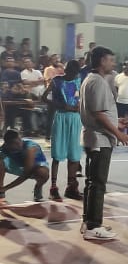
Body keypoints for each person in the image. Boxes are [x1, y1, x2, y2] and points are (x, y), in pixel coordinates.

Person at [80, 46, 128, 240]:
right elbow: (99, 114)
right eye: (111, 60)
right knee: (98, 183)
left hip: (93, 137)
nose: (113, 63)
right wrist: (118, 133)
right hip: (99, 139)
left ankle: (88, 222)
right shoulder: (98, 82)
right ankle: (94, 226)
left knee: (91, 182)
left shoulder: (90, 80)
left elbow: (98, 112)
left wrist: (116, 121)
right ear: (102, 61)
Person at [48, 60, 82, 201]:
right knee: (57, 153)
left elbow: (80, 98)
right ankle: (53, 188)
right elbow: (44, 98)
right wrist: (60, 105)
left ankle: (71, 187)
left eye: (75, 73)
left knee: (74, 154)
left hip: (75, 118)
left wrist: (79, 106)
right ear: (66, 70)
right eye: (70, 71)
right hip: (61, 117)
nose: (73, 75)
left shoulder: (79, 81)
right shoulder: (56, 81)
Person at [0, 129, 49, 202]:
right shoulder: (4, 148)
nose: (20, 144)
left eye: (20, 140)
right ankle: (0, 190)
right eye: (15, 143)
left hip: (34, 167)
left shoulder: (30, 148)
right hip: (18, 166)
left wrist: (6, 188)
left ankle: (38, 186)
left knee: (42, 173)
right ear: (8, 144)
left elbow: (26, 174)